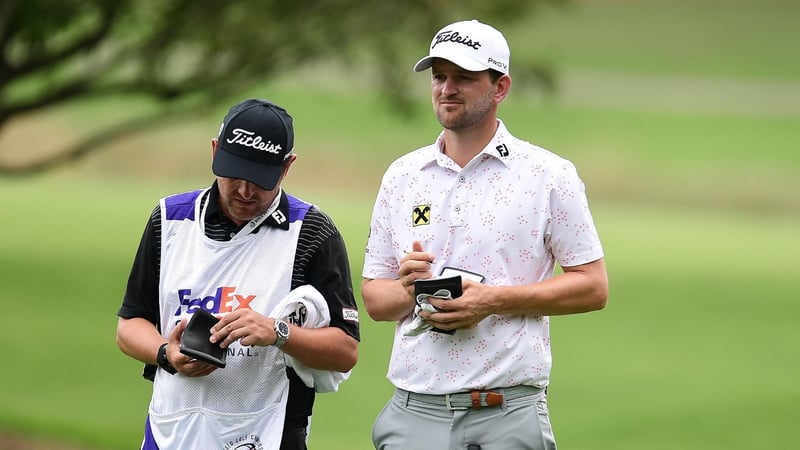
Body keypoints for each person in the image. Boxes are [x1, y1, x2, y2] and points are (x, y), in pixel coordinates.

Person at [361, 19, 608, 450]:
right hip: (414, 411)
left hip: (507, 413)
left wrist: (491, 301)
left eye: (464, 78)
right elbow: (375, 302)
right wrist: (407, 289)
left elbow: (592, 287)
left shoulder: (548, 175)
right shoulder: (402, 175)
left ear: (500, 87)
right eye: (439, 76)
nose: (446, 89)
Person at [116, 98, 360, 450]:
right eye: (235, 174)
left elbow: (345, 350)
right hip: (171, 431)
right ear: (215, 152)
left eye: (260, 179)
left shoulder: (312, 233)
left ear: (287, 166)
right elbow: (129, 326)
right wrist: (165, 353)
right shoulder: (169, 219)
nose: (246, 191)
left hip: (269, 433)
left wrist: (277, 332)